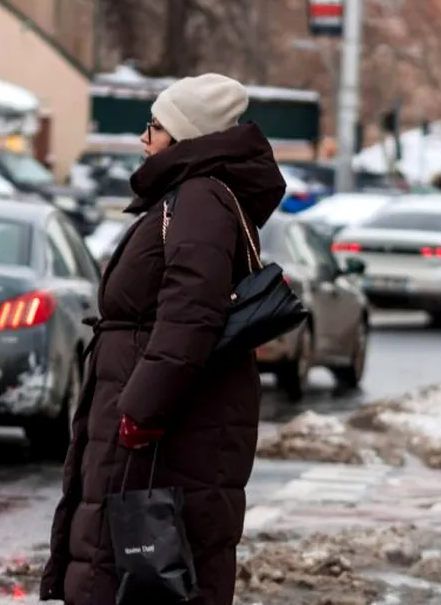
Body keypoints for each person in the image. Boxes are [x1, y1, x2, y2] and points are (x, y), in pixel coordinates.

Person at [41, 74, 286, 605]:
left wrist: (142, 411)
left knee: (139, 573)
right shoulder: (190, 197)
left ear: (183, 135)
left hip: (162, 432)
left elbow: (190, 314)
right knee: (131, 568)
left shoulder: (198, 200)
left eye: (154, 126)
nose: (144, 138)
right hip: (161, 422)